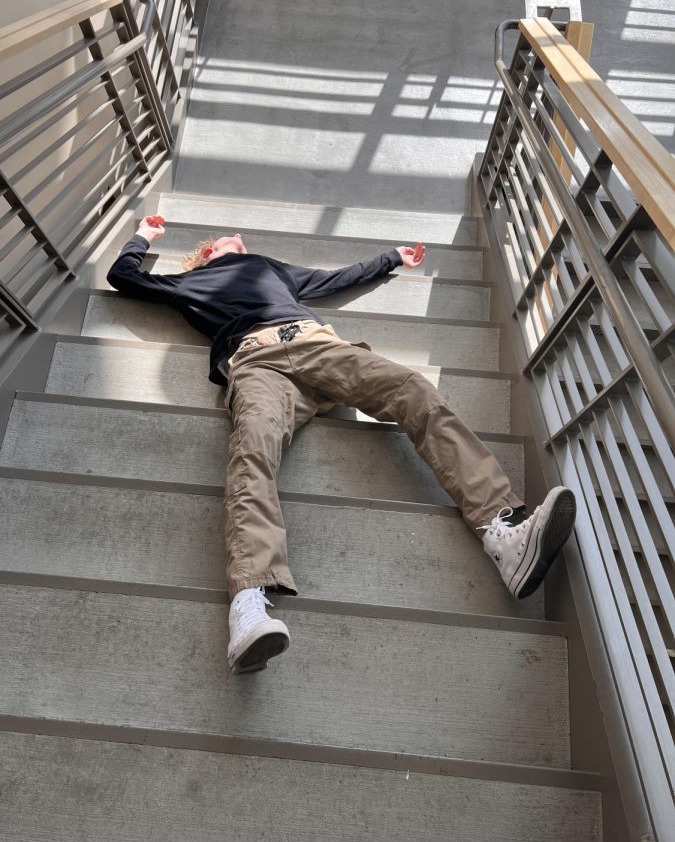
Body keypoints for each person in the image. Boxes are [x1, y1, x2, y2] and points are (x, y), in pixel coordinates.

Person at [107, 216, 577, 675]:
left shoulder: (269, 267)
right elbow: (123, 276)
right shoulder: (186, 284)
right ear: (209, 250)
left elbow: (333, 280)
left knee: (412, 388)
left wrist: (391, 258)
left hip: (315, 345)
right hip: (255, 363)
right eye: (233, 237)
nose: (242, 238)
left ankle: (503, 531)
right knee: (253, 449)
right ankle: (249, 601)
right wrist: (144, 236)